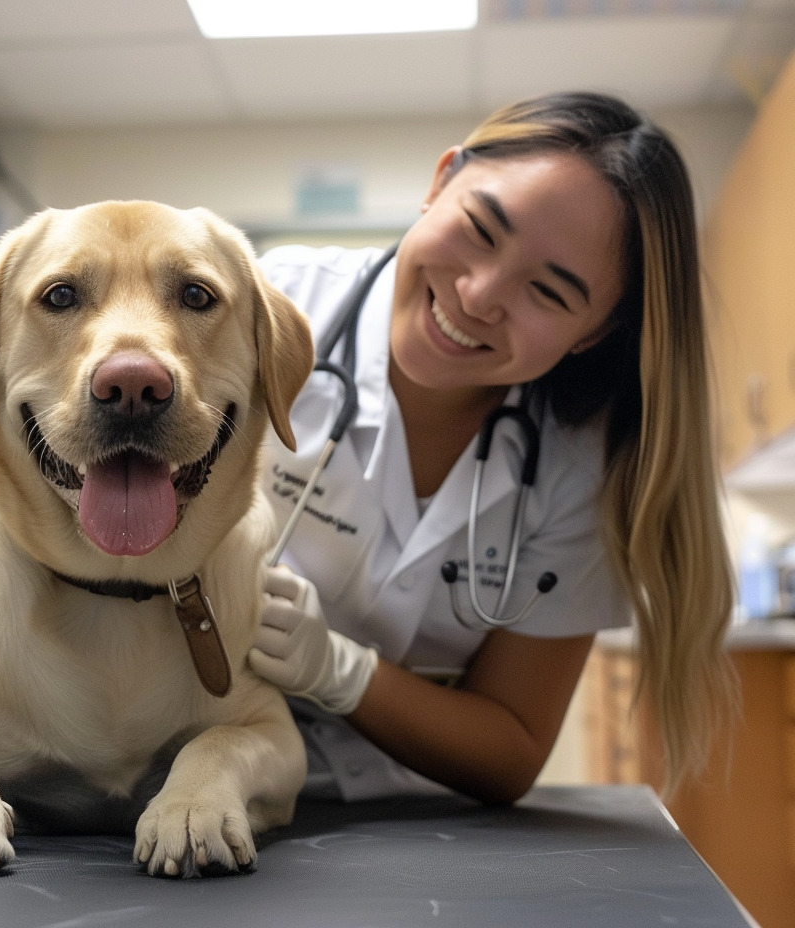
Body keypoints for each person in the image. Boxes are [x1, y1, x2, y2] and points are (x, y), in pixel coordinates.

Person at [248, 91, 737, 805]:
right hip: (190, 771)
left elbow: (509, 747)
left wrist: (339, 670)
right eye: (480, 229)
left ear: (593, 333)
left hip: (413, 821)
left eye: (548, 292)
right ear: (441, 180)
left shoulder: (582, 464)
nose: (479, 296)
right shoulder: (269, 307)